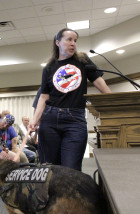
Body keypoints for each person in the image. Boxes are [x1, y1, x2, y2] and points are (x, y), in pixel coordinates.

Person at [30, 28, 111, 171]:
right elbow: (44, 96)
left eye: (75, 40)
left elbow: (99, 83)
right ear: (58, 43)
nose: (73, 43)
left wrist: (113, 103)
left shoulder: (83, 60)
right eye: (69, 39)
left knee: (71, 171)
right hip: (50, 120)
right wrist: (34, 120)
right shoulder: (49, 68)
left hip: (75, 121)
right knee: (49, 170)